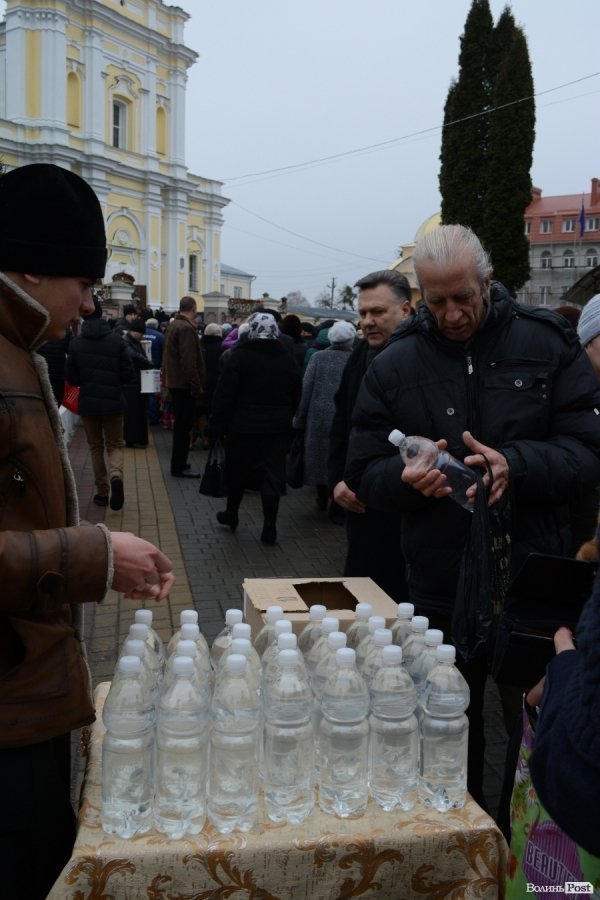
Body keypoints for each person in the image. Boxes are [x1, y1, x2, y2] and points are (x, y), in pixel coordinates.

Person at [344, 224, 600, 807]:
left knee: (534, 733)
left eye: (464, 297)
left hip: (531, 579)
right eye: (437, 302)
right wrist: (408, 482)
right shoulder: (394, 362)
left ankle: (531, 861)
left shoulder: (546, 341)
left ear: (487, 281)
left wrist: (518, 463)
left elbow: (588, 452)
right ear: (420, 295)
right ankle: (457, 860)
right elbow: (362, 471)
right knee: (444, 736)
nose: (453, 314)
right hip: (438, 583)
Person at [0, 162, 175, 900]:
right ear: (34, 266)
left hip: (25, 685)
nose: (91, 302)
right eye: (84, 280)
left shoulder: (19, 346)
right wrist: (94, 552)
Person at [328, 270, 413, 596]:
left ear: (405, 310)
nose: (367, 322)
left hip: (407, 508)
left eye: (377, 312)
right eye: (362, 313)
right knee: (362, 598)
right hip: (360, 504)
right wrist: (338, 479)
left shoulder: (427, 355)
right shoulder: (359, 356)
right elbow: (341, 423)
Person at [210, 312, 301, 545]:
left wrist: (217, 424)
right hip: (276, 428)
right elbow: (295, 395)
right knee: (272, 475)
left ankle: (232, 513)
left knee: (237, 471)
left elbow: (224, 394)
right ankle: (269, 526)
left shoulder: (238, 356)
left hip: (242, 427)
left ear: (252, 330)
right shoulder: (287, 359)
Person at [66, 295, 134, 509]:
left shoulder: (76, 343)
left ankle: (102, 493)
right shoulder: (117, 341)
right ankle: (116, 475)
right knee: (114, 445)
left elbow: (73, 378)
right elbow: (128, 374)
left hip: (89, 404)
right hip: (114, 402)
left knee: (95, 447)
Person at [293, 320, 355, 511]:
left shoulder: (318, 358)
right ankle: (336, 499)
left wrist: (299, 418)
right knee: (341, 456)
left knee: (319, 457)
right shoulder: (356, 358)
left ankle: (321, 496)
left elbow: (307, 388)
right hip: (346, 416)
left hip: (318, 416)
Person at [162, 296, 206, 478]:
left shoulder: (173, 325)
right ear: (194, 309)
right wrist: (196, 387)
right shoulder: (186, 328)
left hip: (175, 383)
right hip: (184, 385)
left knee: (180, 426)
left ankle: (179, 464)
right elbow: (188, 362)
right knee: (183, 428)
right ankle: (179, 466)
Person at [122, 317, 153, 448]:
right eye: (141, 333)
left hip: (138, 382)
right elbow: (134, 356)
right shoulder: (126, 342)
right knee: (133, 413)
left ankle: (139, 439)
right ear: (134, 331)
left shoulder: (134, 341)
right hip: (131, 384)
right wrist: (148, 363)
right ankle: (132, 439)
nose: (142, 336)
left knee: (139, 412)